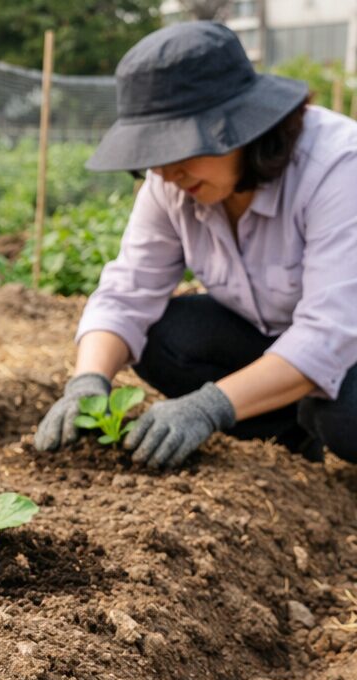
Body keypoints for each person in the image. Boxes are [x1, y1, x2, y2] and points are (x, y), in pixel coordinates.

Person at [34, 21, 357, 469]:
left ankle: (312, 419)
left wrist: (210, 406)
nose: (166, 172)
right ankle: (289, 434)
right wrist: (87, 382)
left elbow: (329, 334)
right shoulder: (171, 182)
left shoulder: (337, 166)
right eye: (155, 155)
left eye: (181, 150)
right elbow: (128, 292)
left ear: (244, 127)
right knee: (162, 337)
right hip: (272, 337)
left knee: (345, 415)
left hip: (349, 345)